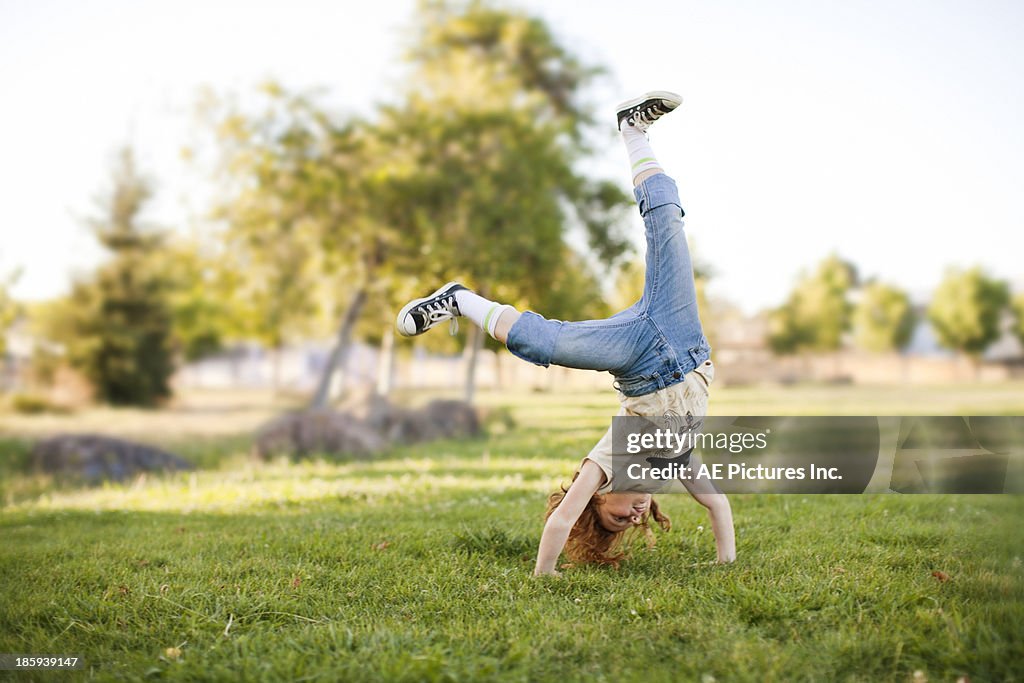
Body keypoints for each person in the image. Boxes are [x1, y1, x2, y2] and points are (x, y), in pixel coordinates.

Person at [396, 91, 735, 576]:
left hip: (637, 359)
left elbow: (561, 520)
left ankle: (459, 300)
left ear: (600, 496)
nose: (634, 514)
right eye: (632, 520)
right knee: (668, 226)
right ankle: (634, 131)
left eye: (617, 515)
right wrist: (727, 565)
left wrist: (545, 572)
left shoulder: (609, 461)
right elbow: (717, 506)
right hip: (684, 340)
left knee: (545, 342)